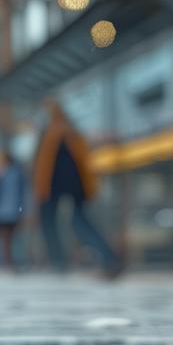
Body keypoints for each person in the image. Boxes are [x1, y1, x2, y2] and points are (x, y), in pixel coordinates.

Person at [32, 99, 123, 277]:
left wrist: (41, 190)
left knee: (54, 224)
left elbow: (45, 168)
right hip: (76, 189)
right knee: (79, 223)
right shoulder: (72, 132)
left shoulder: (52, 135)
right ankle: (109, 258)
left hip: (55, 189)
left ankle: (59, 263)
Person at [0, 149, 27, 269]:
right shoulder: (5, 173)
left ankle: (9, 260)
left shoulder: (13, 173)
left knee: (9, 236)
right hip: (5, 210)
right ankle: (6, 260)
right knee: (5, 237)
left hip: (9, 210)